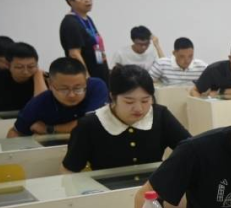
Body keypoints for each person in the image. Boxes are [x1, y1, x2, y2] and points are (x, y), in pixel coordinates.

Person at [61, 65, 190, 173]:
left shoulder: (160, 115)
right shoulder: (90, 124)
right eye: (129, 102)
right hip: (108, 191)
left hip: (154, 188)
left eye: (145, 100)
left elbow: (190, 149)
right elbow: (70, 169)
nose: (138, 108)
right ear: (113, 97)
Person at [9, 57, 108, 137]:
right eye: (64, 89)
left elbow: (91, 123)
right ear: (50, 85)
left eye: (78, 89)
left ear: (86, 83)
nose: (71, 95)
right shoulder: (38, 104)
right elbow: (15, 132)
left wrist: (49, 129)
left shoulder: (96, 87)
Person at [59, 0, 109, 84]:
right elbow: (74, 53)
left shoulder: (87, 18)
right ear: (70, 1)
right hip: (88, 75)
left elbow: (96, 40)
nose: (87, 0)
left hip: (99, 69)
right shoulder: (71, 23)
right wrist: (86, 77)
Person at [0, 42, 46, 112]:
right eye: (19, 67)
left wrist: (38, 75)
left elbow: (42, 106)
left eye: (31, 66)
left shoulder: (44, 78)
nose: (25, 72)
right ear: (8, 65)